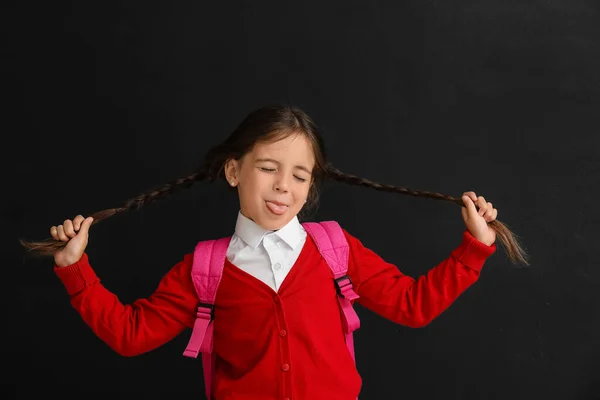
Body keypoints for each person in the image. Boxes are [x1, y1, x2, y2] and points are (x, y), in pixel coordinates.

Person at [21, 105, 525, 400]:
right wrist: (76, 271)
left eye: (300, 174)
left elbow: (413, 305)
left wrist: (474, 249)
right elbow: (131, 336)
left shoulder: (335, 249)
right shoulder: (205, 268)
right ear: (234, 171)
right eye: (267, 167)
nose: (284, 186)